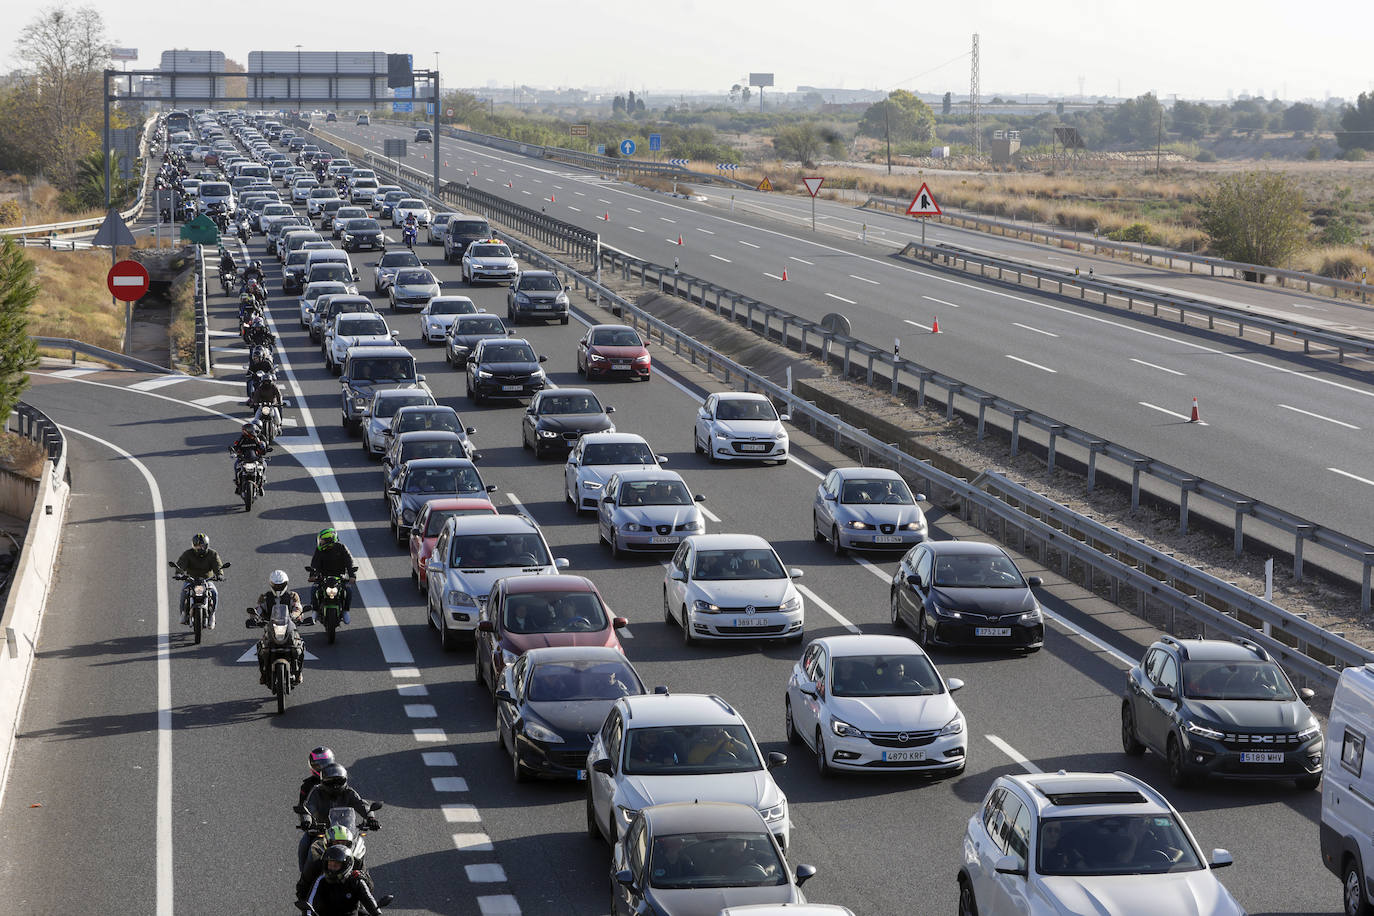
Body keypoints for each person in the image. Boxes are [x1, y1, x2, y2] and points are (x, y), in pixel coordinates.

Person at [300, 764, 378, 871]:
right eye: (331, 782)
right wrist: (306, 821)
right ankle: (304, 882)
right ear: (323, 781)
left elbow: (362, 805)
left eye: (339, 782)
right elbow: (308, 808)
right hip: (321, 833)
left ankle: (364, 879)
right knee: (304, 846)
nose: (335, 786)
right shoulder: (316, 792)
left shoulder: (349, 792)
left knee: (359, 851)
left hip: (346, 835)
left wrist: (371, 818)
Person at [296, 844, 387, 916]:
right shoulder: (321, 880)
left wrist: (376, 911)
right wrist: (308, 913)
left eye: (335, 865)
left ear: (346, 865)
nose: (331, 869)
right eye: (330, 865)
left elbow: (368, 898)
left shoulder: (356, 880)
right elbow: (310, 903)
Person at [253, 569, 305, 688]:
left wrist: (294, 616)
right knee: (261, 648)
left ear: (285, 584)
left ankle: (299, 673)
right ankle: (263, 674)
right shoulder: (265, 597)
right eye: (275, 585)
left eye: (280, 585)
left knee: (300, 646)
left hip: (289, 627)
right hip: (270, 628)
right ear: (271, 584)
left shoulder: (293, 596)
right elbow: (258, 609)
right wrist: (256, 617)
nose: (278, 587)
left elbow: (298, 608)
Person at [172, 532, 226, 627]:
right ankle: (183, 614)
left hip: (207, 580)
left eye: (201, 546)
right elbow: (181, 564)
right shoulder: (188, 554)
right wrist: (179, 574)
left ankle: (212, 615)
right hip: (191, 580)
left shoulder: (213, 554)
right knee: (184, 593)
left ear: (206, 545)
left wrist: (220, 575)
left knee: (214, 593)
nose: (199, 548)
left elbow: (218, 566)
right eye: (196, 546)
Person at [310, 528, 356, 624]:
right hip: (323, 577)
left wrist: (352, 575)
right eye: (320, 541)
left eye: (323, 541)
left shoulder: (341, 548)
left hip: (340, 576)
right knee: (313, 590)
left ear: (330, 540)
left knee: (348, 591)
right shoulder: (319, 550)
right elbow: (314, 564)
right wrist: (313, 575)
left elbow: (349, 562)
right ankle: (315, 610)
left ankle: (346, 611)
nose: (321, 543)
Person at [229, 423, 268, 494]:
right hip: (244, 458)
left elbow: (262, 447)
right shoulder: (241, 439)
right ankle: (238, 484)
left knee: (264, 464)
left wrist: (263, 449)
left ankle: (261, 484)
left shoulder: (256, 439)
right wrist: (234, 452)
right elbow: (236, 446)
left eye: (245, 430)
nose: (244, 432)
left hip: (255, 458)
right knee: (236, 466)